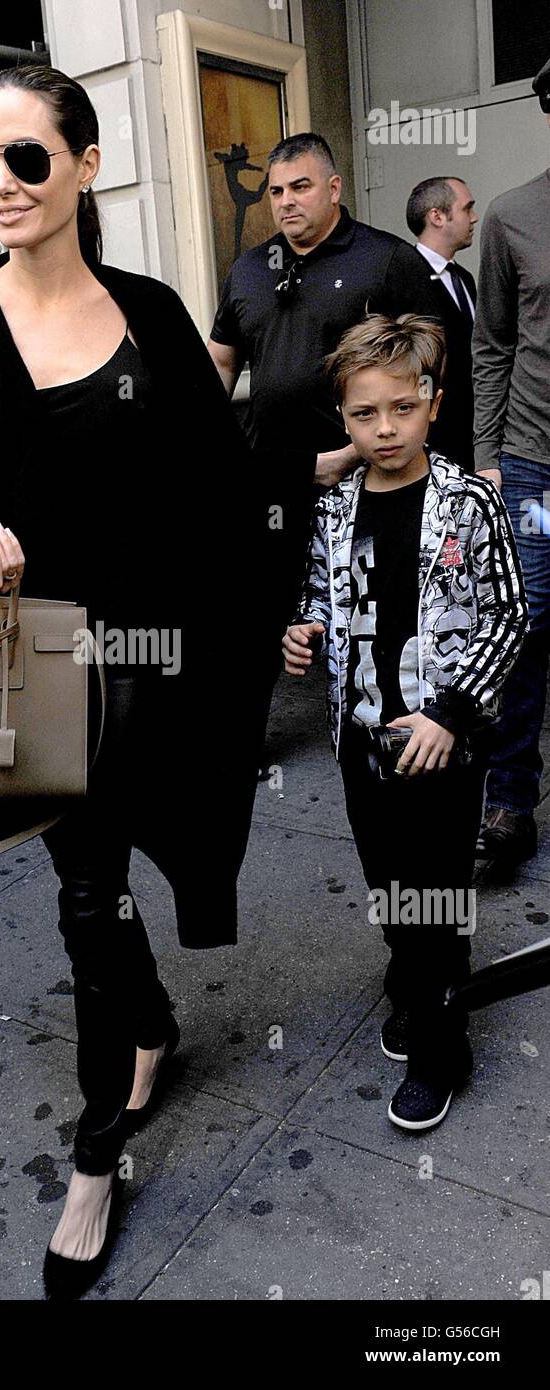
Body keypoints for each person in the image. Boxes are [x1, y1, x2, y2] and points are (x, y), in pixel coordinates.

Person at [0, 64, 278, 1298]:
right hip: (30, 676)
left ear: (85, 166)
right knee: (87, 892)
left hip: (165, 668)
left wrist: (272, 615)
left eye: (25, 159)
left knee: (158, 860)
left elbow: (219, 488)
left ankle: (149, 1023)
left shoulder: (150, 311)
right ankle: (99, 1149)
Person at [283, 313, 526, 1131]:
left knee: (435, 895)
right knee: (391, 889)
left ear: (431, 404)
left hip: (441, 746)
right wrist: (304, 629)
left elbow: (507, 617)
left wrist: (450, 715)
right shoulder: (335, 507)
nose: (383, 429)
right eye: (362, 414)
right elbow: (322, 591)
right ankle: (413, 984)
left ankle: (439, 1043)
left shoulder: (467, 503)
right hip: (362, 741)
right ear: (342, 419)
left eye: (399, 408)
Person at [207, 133, 442, 771]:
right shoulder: (251, 268)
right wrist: (206, 442)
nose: (286, 202)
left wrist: (406, 449)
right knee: (257, 601)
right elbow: (221, 362)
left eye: (301, 187)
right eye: (277, 191)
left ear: (334, 188)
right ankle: (245, 740)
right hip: (272, 473)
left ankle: (400, 725)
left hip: (367, 471)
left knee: (380, 599)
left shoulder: (387, 261)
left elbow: (433, 360)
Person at [472, 55, 550, 867]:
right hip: (534, 468)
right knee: (524, 629)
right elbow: (491, 344)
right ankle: (507, 801)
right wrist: (488, 457)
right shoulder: (511, 215)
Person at [407, 176, 478, 471]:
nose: (474, 217)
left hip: (472, 432)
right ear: (437, 216)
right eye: (467, 209)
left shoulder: (464, 277)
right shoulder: (407, 276)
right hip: (435, 439)